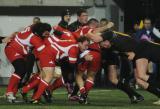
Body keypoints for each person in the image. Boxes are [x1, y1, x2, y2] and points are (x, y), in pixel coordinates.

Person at [100, 31, 160, 105]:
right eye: (102, 46)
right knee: (139, 81)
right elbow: (128, 56)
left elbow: (140, 42)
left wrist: (134, 52)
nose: (104, 46)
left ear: (107, 40)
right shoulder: (112, 49)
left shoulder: (119, 41)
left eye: (104, 44)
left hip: (142, 51)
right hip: (138, 55)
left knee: (142, 75)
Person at [5, 22, 51, 103]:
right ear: (39, 31)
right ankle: (9, 92)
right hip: (13, 48)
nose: (47, 33)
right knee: (20, 69)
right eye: (45, 31)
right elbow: (44, 51)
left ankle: (14, 93)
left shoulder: (32, 29)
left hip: (19, 50)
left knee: (22, 72)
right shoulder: (34, 38)